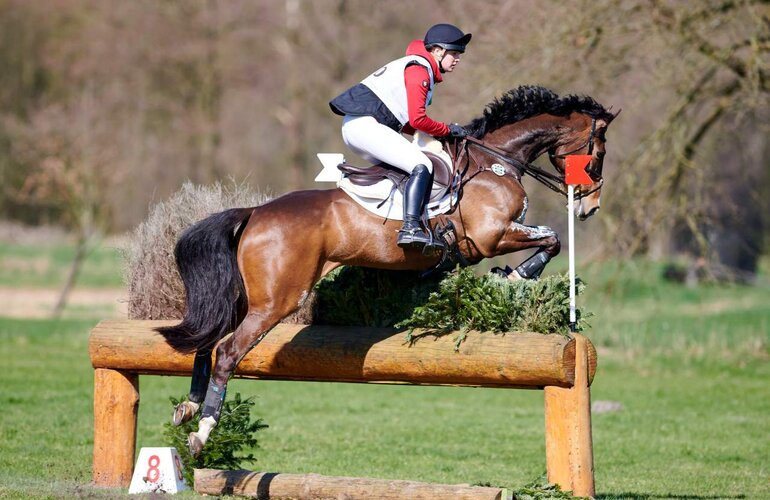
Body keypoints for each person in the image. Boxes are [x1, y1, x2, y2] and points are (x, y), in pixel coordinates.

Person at [329, 23, 472, 250]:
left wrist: (438, 135)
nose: (457, 59)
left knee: (404, 168)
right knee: (421, 165)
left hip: (361, 126)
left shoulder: (418, 66)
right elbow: (418, 120)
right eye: (454, 53)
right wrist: (447, 130)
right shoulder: (419, 70)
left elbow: (407, 123)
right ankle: (410, 228)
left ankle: (388, 222)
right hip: (364, 126)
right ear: (437, 51)